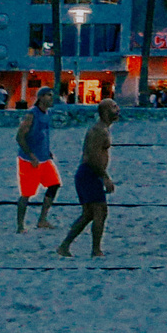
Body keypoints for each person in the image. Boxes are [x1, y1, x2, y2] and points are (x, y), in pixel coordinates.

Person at [56, 98, 120, 257]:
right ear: (105, 112)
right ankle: (95, 250)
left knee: (88, 214)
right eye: (114, 107)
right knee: (100, 211)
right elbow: (92, 156)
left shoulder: (103, 129)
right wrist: (105, 177)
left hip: (90, 173)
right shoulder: (99, 131)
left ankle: (65, 246)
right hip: (89, 173)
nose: (117, 109)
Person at [16, 88, 63, 231]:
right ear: (41, 97)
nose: (51, 98)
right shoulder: (31, 114)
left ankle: (42, 220)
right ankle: (20, 226)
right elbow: (20, 137)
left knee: (54, 185)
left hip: (44, 159)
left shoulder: (47, 113)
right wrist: (31, 155)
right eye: (49, 95)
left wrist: (47, 151)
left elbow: (43, 135)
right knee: (26, 194)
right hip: (29, 160)